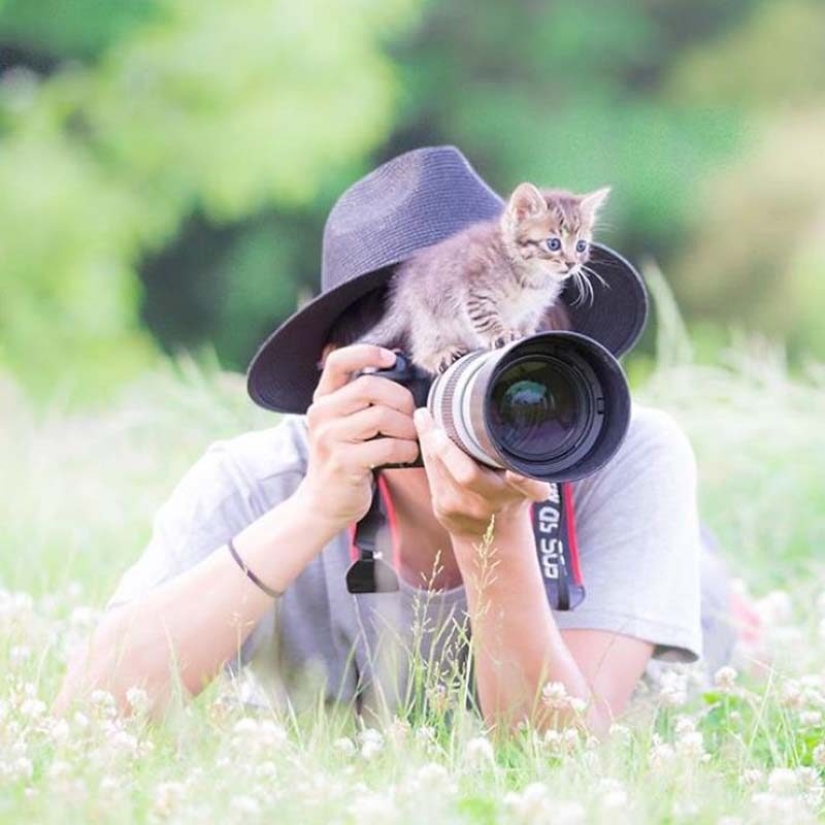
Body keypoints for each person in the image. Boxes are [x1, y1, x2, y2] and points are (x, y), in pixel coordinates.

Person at [52, 146, 742, 737]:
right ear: (345, 366)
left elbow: (557, 757)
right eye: (450, 352)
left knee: (721, 609)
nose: (494, 377)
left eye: (518, 348)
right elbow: (85, 721)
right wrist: (315, 510)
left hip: (664, 609)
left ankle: (736, 610)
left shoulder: (622, 456)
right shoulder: (259, 483)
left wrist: (494, 532)